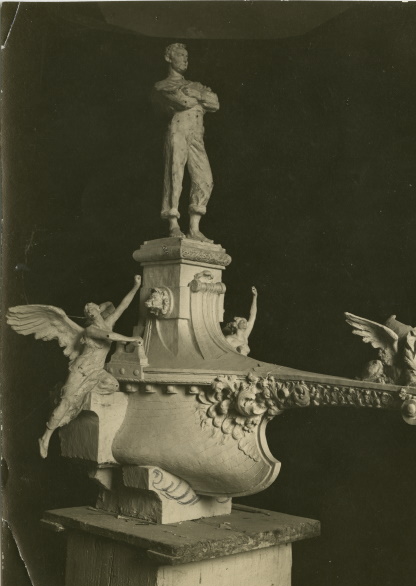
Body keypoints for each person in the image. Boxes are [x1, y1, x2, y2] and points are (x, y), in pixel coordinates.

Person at [37, 276, 143, 458]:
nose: (90, 311)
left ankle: (84, 394)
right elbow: (109, 336)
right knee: (65, 403)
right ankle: (46, 437)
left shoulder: (109, 322)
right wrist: (131, 339)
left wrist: (136, 285)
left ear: (98, 310)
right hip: (81, 370)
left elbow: (124, 305)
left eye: (92, 308)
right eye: (87, 311)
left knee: (113, 385)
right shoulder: (90, 330)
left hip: (97, 372)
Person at [154, 43, 219, 243]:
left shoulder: (194, 85)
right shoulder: (163, 85)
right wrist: (200, 97)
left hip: (196, 134)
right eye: (181, 55)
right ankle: (173, 223)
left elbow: (215, 103)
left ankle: (194, 228)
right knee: (175, 174)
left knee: (205, 178)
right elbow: (183, 102)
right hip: (178, 129)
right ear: (169, 58)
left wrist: (196, 94)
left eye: (186, 56)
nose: (185, 59)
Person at [223, 287, 258, 356]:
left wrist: (255, 297)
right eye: (242, 321)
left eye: (245, 321)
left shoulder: (245, 337)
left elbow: (253, 315)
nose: (245, 322)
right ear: (236, 325)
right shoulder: (229, 339)